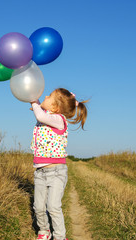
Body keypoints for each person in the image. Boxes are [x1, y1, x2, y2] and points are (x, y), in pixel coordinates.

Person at [30, 88, 88, 240]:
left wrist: (35, 103)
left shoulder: (59, 120)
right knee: (38, 207)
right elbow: (41, 114)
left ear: (56, 108)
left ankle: (60, 236)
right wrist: (38, 104)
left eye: (49, 96)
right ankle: (44, 231)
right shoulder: (48, 116)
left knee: (53, 206)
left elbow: (40, 115)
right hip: (40, 172)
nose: (46, 96)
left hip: (56, 172)